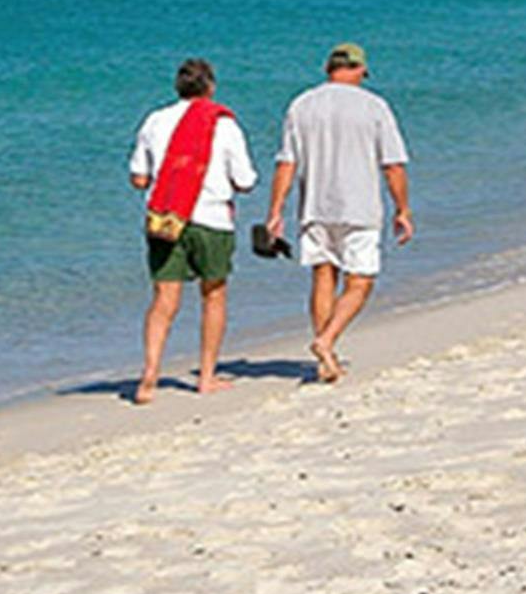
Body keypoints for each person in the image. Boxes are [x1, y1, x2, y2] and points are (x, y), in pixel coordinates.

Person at [264, 41, 412, 383]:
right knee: (360, 282)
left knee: (322, 276)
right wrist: (402, 209)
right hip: (359, 207)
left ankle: (325, 361)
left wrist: (276, 210)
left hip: (315, 206)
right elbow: (393, 166)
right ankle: (326, 341)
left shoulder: (301, 105)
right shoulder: (375, 107)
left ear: (329, 69)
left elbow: (287, 163)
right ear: (359, 69)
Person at [129, 57, 258, 405]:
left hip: (166, 219)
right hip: (211, 219)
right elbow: (246, 181)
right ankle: (205, 376)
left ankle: (149, 375)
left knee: (163, 299)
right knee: (213, 295)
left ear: (178, 88)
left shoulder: (154, 120)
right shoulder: (224, 125)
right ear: (210, 88)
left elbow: (139, 178)